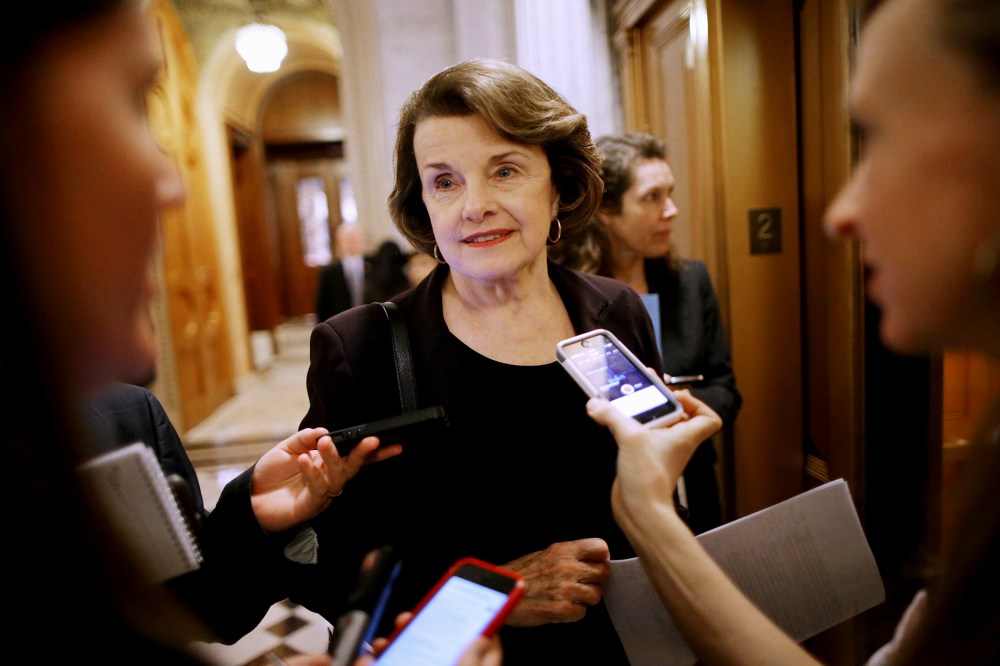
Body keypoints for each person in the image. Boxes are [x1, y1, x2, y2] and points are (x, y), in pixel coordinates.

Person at [0, 2, 502, 663]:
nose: (168, 181)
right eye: (128, 101)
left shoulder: (127, 420)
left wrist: (249, 517)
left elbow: (199, 612)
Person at [587, 0, 1000, 662]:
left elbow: (725, 382)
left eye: (879, 138)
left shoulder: (688, 280)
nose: (839, 213)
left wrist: (648, 509)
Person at [290, 57, 667, 664]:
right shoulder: (359, 349)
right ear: (423, 205)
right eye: (445, 181)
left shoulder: (615, 311)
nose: (474, 205)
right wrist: (495, 593)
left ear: (559, 185)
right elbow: (333, 573)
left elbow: (660, 489)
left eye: (506, 170)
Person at [550, 132, 742, 533]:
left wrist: (668, 402)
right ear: (605, 209)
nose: (670, 210)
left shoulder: (690, 281)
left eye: (669, 194)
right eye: (652, 197)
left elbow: (725, 388)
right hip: (607, 495)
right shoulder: (565, 293)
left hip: (694, 482)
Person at [315, 223, 369, 322]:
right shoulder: (330, 273)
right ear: (340, 243)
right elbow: (323, 306)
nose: (353, 244)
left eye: (356, 240)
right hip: (341, 322)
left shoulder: (373, 266)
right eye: (349, 240)